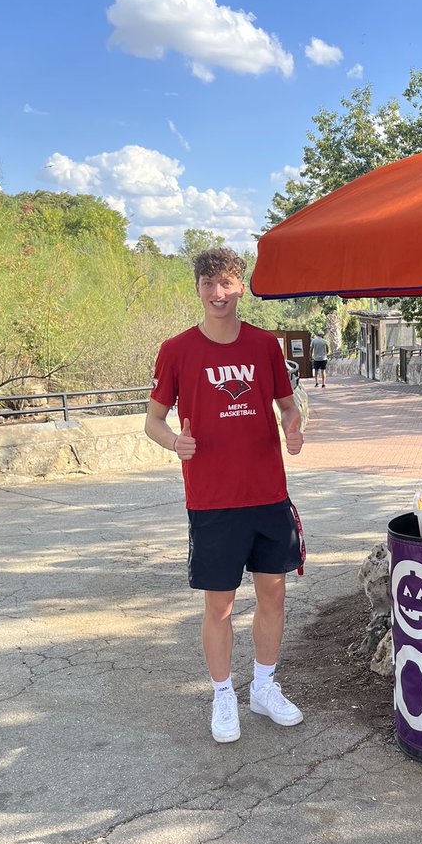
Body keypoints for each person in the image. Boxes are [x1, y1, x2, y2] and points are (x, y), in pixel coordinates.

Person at [145, 247, 306, 745]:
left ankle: (263, 686)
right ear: (197, 288)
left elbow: (286, 406)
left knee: (273, 594)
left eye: (228, 283)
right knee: (219, 605)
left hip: (267, 494)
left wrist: (294, 427)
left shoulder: (263, 346)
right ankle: (222, 694)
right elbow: (152, 421)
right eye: (209, 284)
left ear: (241, 286)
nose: (218, 293)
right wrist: (176, 442)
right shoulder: (177, 350)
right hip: (212, 500)